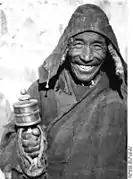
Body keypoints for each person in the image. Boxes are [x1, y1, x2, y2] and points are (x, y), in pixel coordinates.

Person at [0, 3, 127, 179]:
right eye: (79, 44)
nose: (87, 56)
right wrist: (27, 147)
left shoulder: (121, 94)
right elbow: (9, 141)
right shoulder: (44, 91)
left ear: (109, 50)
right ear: (66, 47)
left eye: (97, 46)